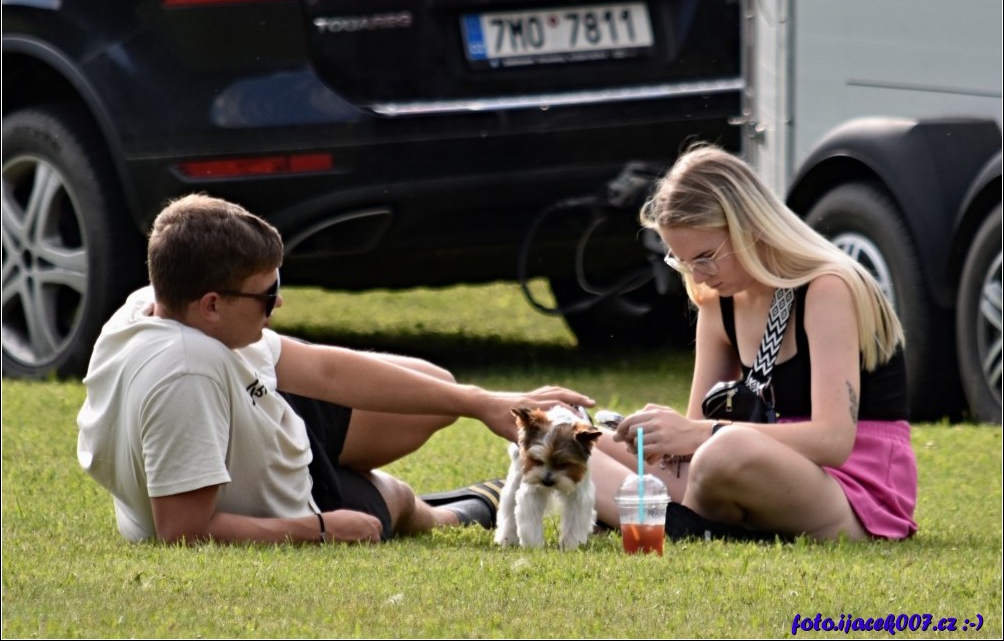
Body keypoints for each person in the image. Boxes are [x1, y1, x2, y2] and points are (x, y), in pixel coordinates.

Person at [77, 193, 594, 545]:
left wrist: (480, 403)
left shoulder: (152, 304)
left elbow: (323, 372)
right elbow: (183, 531)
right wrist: (322, 528)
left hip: (262, 416)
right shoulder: (188, 371)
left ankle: (457, 434)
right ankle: (470, 504)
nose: (278, 304)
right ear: (212, 304)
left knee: (440, 388)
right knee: (398, 501)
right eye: (267, 295)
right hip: (286, 495)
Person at [588, 144, 917, 541]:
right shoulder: (718, 300)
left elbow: (833, 441)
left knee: (726, 451)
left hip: (851, 489)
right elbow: (696, 443)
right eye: (682, 261)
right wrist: (663, 435)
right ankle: (678, 523)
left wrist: (699, 433)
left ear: (748, 226)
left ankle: (662, 521)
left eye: (705, 257)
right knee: (576, 437)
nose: (698, 275)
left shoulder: (827, 287)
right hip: (744, 468)